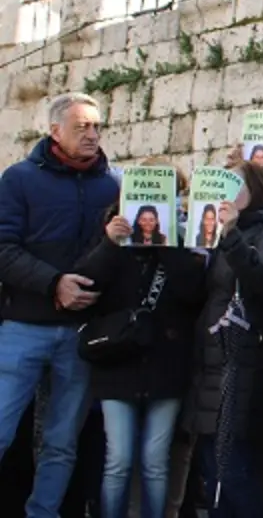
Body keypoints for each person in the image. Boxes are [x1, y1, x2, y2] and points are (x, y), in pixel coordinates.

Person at [0, 93, 117, 516]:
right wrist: (54, 283)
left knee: (62, 443)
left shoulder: (114, 185)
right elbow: (3, 249)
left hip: (79, 334)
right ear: (54, 131)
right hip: (23, 327)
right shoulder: (18, 180)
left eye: (97, 126)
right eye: (81, 126)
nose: (92, 134)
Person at [75, 199, 208, 518]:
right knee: (118, 459)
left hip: (166, 369)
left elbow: (192, 293)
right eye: (144, 217)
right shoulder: (112, 246)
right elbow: (85, 283)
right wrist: (110, 243)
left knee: (155, 460)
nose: (148, 222)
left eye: (155, 217)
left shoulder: (177, 248)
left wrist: (166, 244)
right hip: (117, 369)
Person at [188, 159, 263, 518]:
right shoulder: (214, 236)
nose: (225, 197)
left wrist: (231, 238)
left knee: (232, 470)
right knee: (213, 468)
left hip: (245, 362)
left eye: (234, 187)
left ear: (256, 191)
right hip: (211, 364)